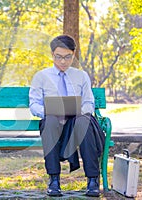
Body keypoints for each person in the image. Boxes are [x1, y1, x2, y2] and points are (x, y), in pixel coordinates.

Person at [29, 35, 105, 197]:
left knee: (84, 121)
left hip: (77, 121)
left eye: (67, 57)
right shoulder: (41, 76)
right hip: (53, 122)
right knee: (49, 121)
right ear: (52, 55)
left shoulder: (81, 76)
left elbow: (89, 103)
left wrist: (79, 112)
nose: (63, 61)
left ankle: (92, 180)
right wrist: (50, 111)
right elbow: (34, 105)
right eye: (58, 57)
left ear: (73, 54)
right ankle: (54, 179)